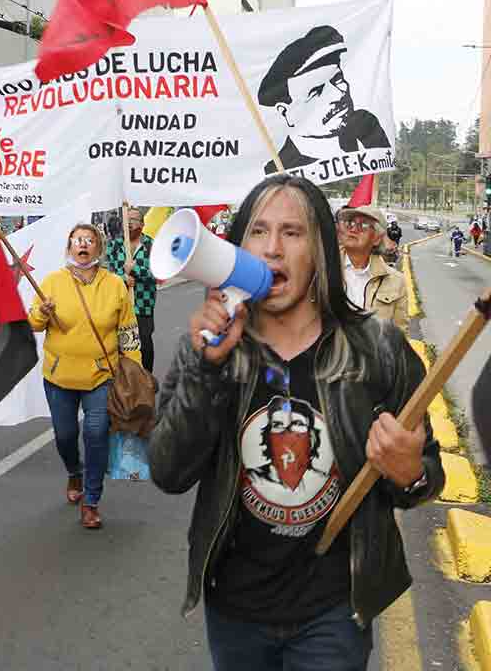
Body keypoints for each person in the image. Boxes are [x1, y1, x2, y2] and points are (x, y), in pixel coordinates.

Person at [149, 174, 444, 670]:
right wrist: (207, 370)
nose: (273, 249)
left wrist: (409, 471)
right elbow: (168, 472)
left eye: (292, 232)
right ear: (238, 248)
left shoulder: (377, 349)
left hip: (332, 610)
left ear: (320, 251)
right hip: (235, 610)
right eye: (259, 232)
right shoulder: (208, 349)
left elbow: (427, 474)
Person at [29, 224, 141, 530]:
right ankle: (73, 471)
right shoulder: (52, 282)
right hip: (59, 378)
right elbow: (34, 324)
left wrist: (134, 371)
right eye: (78, 241)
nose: (83, 245)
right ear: (69, 247)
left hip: (101, 377)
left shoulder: (115, 284)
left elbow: (128, 331)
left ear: (98, 248)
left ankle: (91, 500)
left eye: (89, 241)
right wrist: (42, 312)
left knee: (95, 434)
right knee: (65, 436)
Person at [258, 26, 391, 175]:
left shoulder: (366, 126)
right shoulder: (276, 172)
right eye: (317, 91)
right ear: (286, 112)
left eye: (337, 79)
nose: (337, 93)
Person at [337, 205, 408, 332]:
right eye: (350, 223)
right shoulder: (323, 269)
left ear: (376, 239)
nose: (353, 229)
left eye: (363, 225)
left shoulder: (397, 282)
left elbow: (400, 337)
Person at [104, 206, 157, 372]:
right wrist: (123, 278)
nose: (128, 224)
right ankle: (125, 383)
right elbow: (107, 273)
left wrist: (135, 270)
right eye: (125, 220)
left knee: (144, 343)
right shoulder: (114, 245)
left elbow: (155, 273)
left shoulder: (151, 245)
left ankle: (146, 378)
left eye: (132, 220)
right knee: (121, 345)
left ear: (142, 224)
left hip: (143, 305)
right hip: (120, 304)